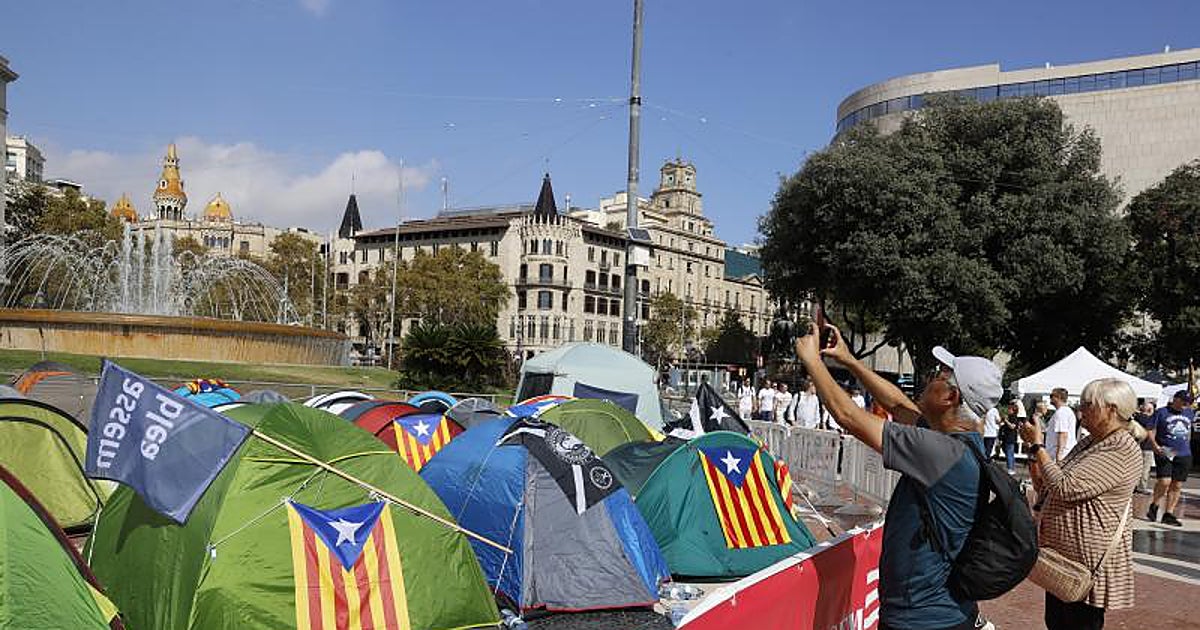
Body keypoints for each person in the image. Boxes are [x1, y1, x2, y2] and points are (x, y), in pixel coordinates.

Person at [795, 323, 1000, 630]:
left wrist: (812, 362)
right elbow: (896, 404)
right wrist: (849, 360)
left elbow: (848, 416)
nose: (931, 379)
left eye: (939, 377)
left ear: (951, 397)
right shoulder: (957, 443)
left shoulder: (941, 452)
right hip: (943, 611)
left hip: (921, 619)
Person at [1019, 378, 1140, 630]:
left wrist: (1039, 446)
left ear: (1112, 409)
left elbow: (1065, 487)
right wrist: (1034, 452)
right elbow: (1049, 483)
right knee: (1056, 622)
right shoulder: (1090, 442)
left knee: (1079, 624)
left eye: (1088, 405)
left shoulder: (1121, 448)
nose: (1081, 410)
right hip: (1062, 559)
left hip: (1086, 566)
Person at [1146, 390, 1194, 526]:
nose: (1185, 405)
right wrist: (1154, 445)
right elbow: (1150, 429)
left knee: (1177, 484)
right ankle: (1154, 505)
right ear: (1175, 399)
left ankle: (1169, 513)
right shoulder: (1161, 412)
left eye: (1188, 403)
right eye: (1183, 402)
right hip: (1165, 451)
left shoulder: (1189, 412)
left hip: (1183, 453)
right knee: (1164, 481)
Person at [1046, 388, 1078, 462]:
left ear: (1059, 397)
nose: (1050, 398)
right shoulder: (1066, 411)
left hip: (1061, 454)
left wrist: (1059, 456)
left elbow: (1063, 434)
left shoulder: (1061, 412)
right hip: (1063, 452)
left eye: (1052, 396)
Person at [1133, 401, 1155, 494]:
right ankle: (1142, 487)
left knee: (1135, 467)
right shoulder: (1150, 420)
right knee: (1145, 468)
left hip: (1135, 446)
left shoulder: (1136, 418)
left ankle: (1133, 486)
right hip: (1147, 447)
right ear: (1150, 410)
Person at [998, 400, 1019, 474]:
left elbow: (1012, 426)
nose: (1008, 410)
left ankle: (1010, 469)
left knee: (1009, 453)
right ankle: (1011, 468)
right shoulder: (1010, 417)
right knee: (1010, 453)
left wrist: (1006, 421)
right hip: (1007, 438)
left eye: (1009, 409)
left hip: (1010, 438)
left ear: (1013, 410)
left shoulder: (1014, 417)